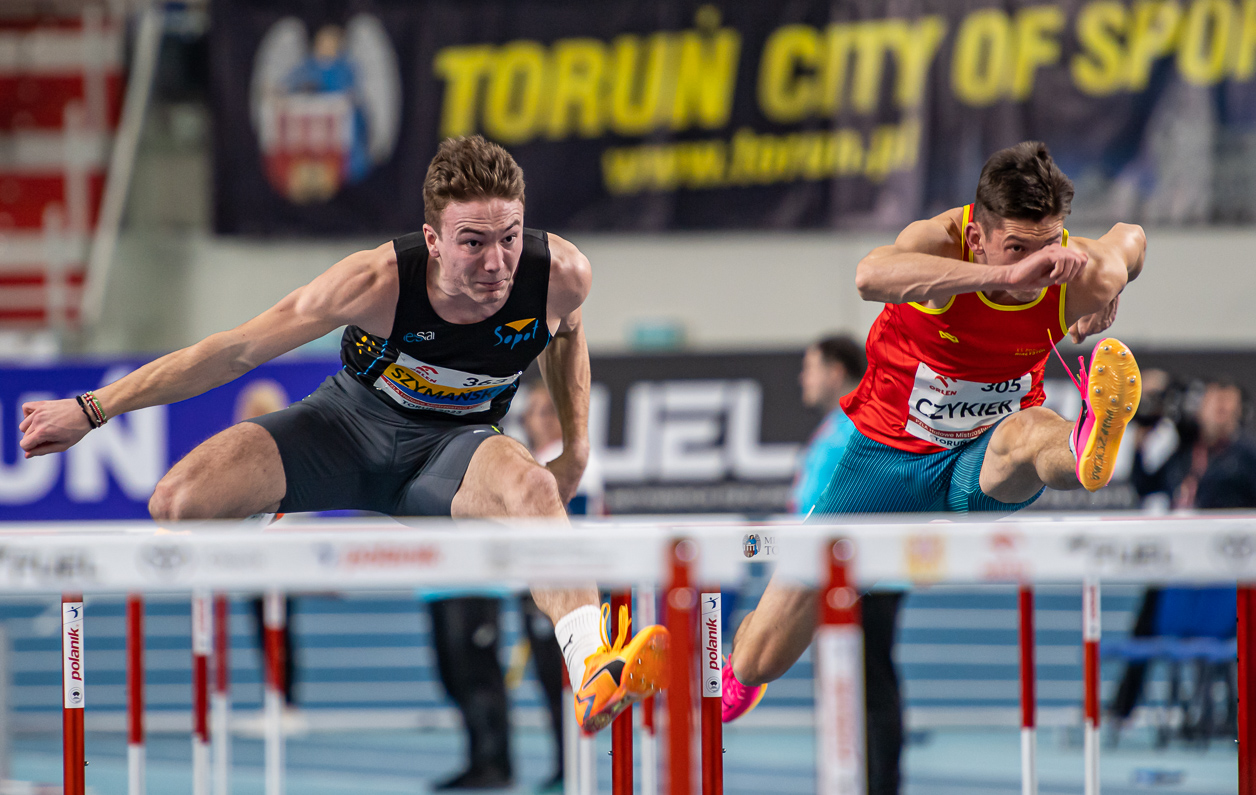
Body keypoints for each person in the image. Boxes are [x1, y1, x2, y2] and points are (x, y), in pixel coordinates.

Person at [17, 135, 667, 735]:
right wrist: (93, 408)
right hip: (346, 428)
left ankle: (592, 667)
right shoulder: (375, 282)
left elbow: (567, 333)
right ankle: (266, 512)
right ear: (433, 240)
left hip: (456, 451)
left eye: (509, 237)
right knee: (178, 501)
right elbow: (234, 351)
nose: (496, 263)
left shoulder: (560, 274)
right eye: (472, 242)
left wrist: (577, 446)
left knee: (534, 489)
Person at [722, 141, 1147, 794]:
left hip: (979, 461)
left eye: (1048, 246)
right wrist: (1003, 277)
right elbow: (869, 275)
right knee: (759, 658)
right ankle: (738, 672)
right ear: (976, 237)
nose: (1038, 270)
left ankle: (1087, 442)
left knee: (1029, 434)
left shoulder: (1074, 270)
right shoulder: (938, 243)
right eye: (1017, 249)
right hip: (883, 466)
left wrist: (1108, 293)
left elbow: (1131, 239)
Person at [792, 335, 866, 515]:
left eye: (810, 369)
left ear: (835, 373)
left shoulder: (862, 426)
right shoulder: (834, 425)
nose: (802, 378)